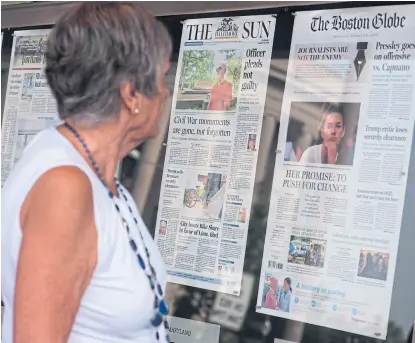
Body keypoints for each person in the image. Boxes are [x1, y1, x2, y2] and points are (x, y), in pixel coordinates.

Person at [1, 3, 172, 343]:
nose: (166, 92)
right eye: (162, 77)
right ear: (132, 94)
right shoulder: (65, 188)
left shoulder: (88, 172)